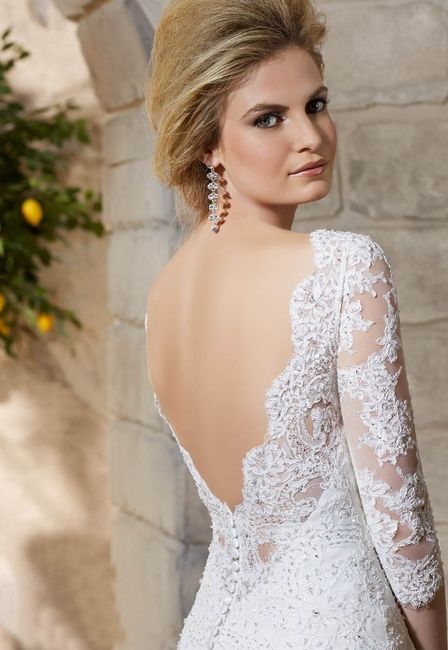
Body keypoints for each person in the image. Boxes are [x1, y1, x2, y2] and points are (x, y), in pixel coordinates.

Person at [143, 1, 447, 648]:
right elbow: (402, 524)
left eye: (316, 104)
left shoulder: (162, 297)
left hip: (219, 631)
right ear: (206, 144)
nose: (310, 136)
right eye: (268, 118)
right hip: (339, 626)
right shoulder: (346, 267)